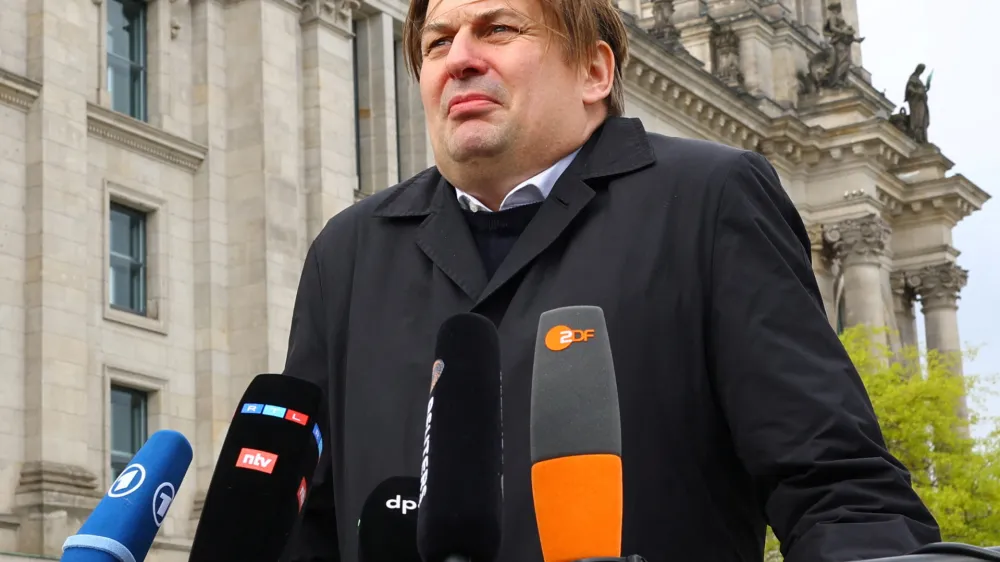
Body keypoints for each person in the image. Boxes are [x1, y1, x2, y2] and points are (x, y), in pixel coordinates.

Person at [279, 0, 941, 560]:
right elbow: (303, 516)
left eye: (499, 30)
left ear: (595, 71)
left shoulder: (706, 200)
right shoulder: (350, 250)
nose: (460, 59)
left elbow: (833, 479)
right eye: (438, 43)